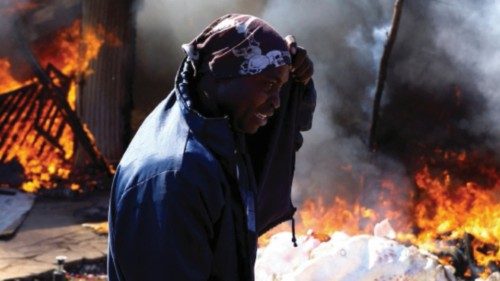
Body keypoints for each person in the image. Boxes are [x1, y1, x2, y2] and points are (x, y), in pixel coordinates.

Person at [107, 14, 316, 281]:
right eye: (269, 85)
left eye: (281, 88)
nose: (276, 102)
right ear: (223, 75)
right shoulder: (175, 177)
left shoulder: (219, 129)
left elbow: (279, 140)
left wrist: (298, 83)